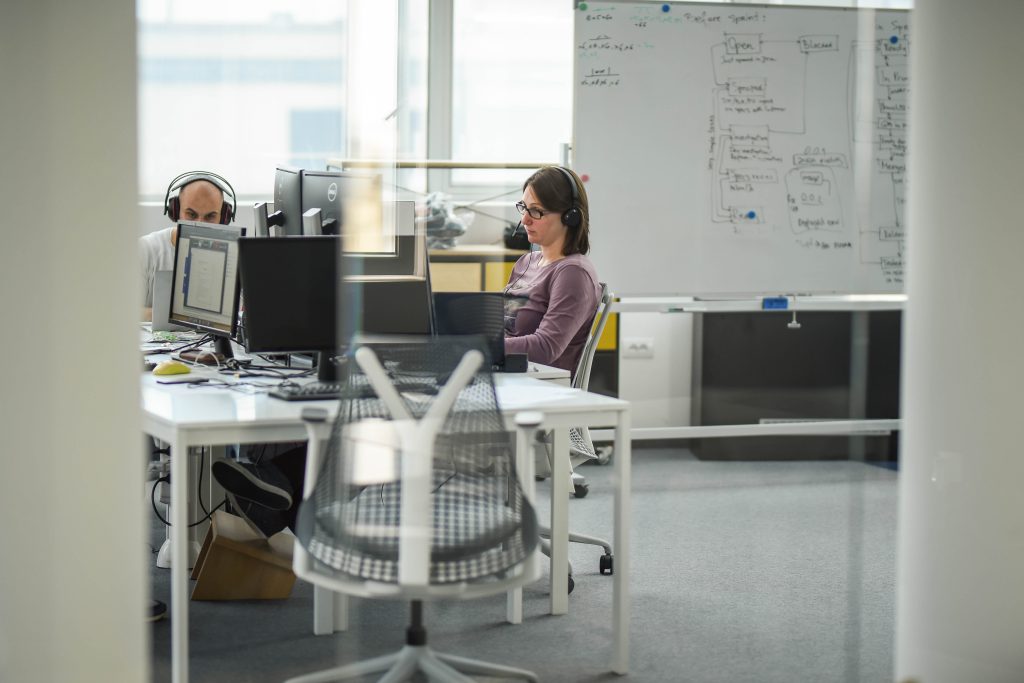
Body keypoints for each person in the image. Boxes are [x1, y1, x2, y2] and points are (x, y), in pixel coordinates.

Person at [503, 166, 601, 375]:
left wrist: (483, 348)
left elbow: (546, 347)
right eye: (524, 208)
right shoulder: (526, 262)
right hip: (510, 374)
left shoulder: (573, 273)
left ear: (570, 217)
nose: (525, 219)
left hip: (540, 383)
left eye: (536, 211)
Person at [140, 171, 235, 319]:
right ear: (175, 211)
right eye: (191, 215)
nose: (200, 225)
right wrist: (183, 316)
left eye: (210, 216)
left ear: (223, 218)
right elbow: (124, 311)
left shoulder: (233, 258)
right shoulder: (145, 249)